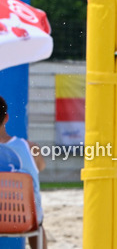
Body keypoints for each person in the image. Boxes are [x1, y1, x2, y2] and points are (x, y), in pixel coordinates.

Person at [0, 95, 46, 248]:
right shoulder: (31, 148)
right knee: (37, 219)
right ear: (6, 118)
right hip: (24, 219)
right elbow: (40, 168)